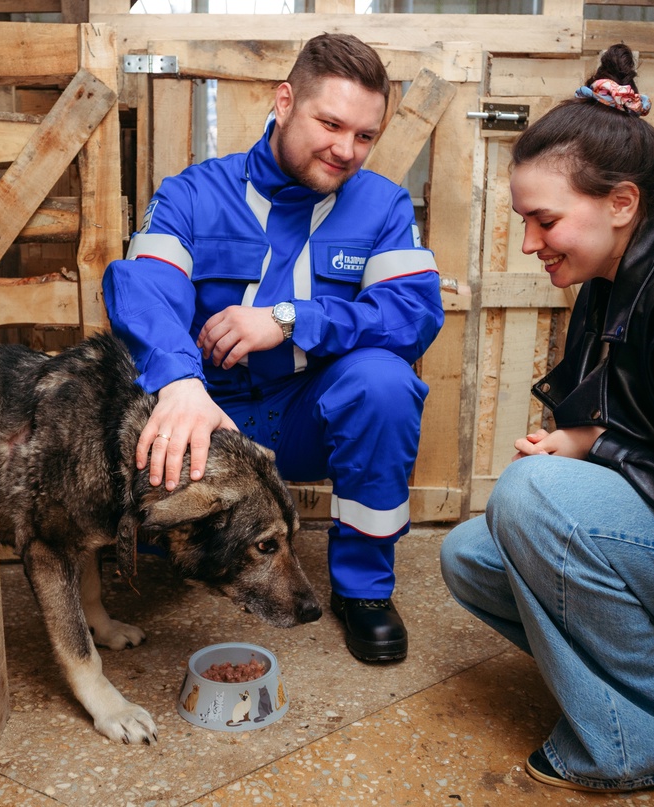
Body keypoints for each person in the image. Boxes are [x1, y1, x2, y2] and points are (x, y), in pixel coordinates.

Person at [440, 42, 654, 792]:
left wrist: (595, 448)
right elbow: (621, 424)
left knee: (528, 499)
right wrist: (573, 439)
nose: (527, 242)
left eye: (542, 219)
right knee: (470, 553)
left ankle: (650, 737)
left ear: (620, 203)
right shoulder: (610, 279)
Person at [103, 33, 444, 663]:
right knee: (120, 395)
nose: (346, 150)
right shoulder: (191, 195)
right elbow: (142, 288)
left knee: (385, 384)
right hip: (206, 419)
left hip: (303, 417)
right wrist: (180, 383)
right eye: (331, 123)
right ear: (284, 101)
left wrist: (290, 320)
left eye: (365, 136)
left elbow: (414, 313)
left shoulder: (384, 206)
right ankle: (150, 550)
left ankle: (364, 592)